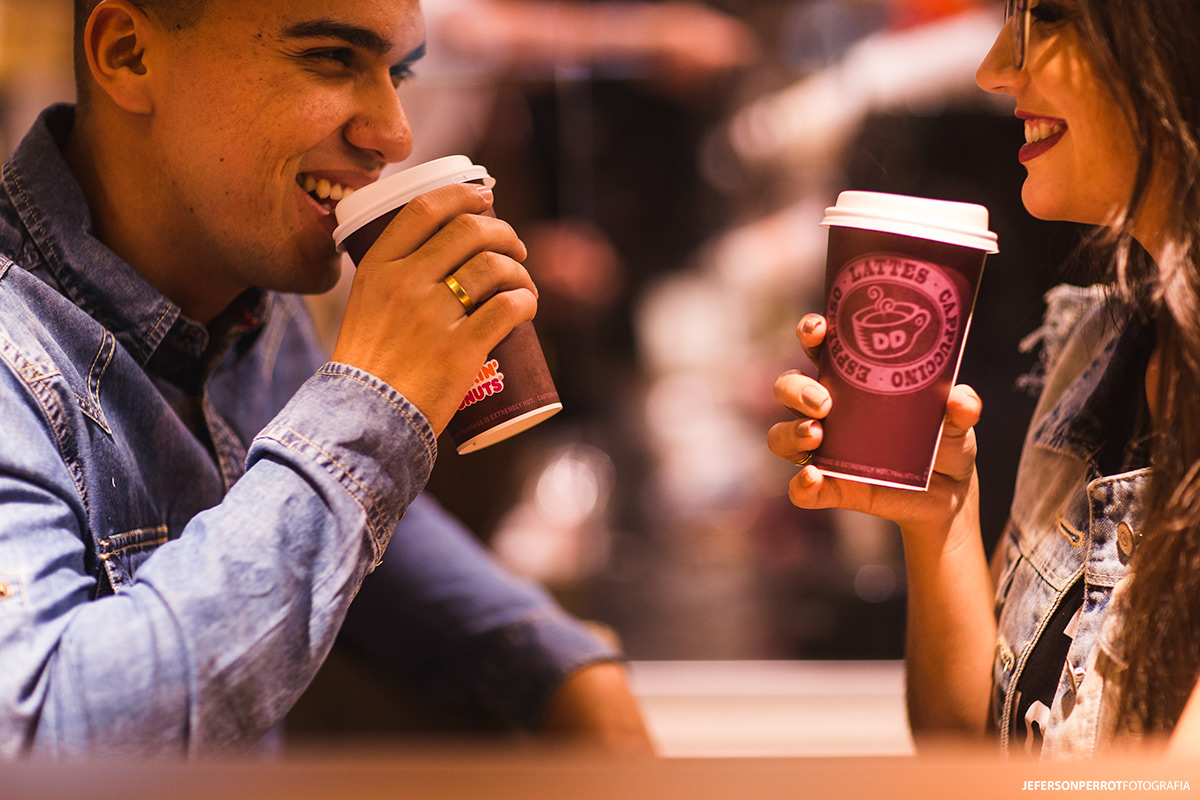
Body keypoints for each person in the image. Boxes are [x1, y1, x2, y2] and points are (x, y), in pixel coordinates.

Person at [0, 0, 652, 757]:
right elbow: (37, 743)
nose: (396, 136)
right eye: (332, 58)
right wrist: (373, 403)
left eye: (398, 73)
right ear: (128, 53)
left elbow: (374, 540)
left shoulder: (246, 299)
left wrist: (556, 664)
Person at [769, 0, 1200, 758]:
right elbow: (969, 755)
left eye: (1053, 17)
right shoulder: (1092, 348)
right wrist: (939, 520)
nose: (994, 68)